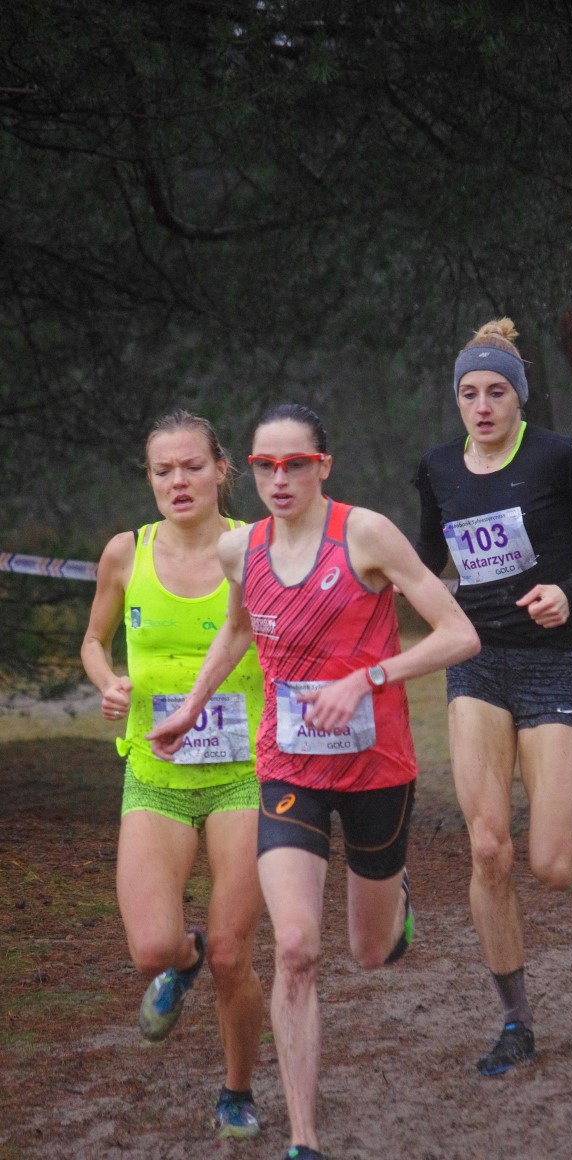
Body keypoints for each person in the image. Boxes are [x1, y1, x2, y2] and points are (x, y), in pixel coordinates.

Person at [148, 402, 480, 1160]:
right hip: (288, 768)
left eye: (295, 463)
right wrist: (192, 707)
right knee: (296, 947)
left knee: (369, 950)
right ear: (250, 470)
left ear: (322, 466)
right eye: (265, 465)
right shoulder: (241, 549)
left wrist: (369, 677)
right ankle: (304, 1139)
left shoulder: (366, 534)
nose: (280, 478)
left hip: (376, 769)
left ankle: (395, 902)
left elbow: (460, 634)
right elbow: (238, 629)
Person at [413, 317, 572, 1076]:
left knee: (554, 866)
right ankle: (515, 1021)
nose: (482, 406)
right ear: (456, 400)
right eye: (469, 393)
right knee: (489, 846)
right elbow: (424, 560)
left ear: (519, 396)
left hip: (551, 664)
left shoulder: (559, 457)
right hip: (477, 664)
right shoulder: (437, 468)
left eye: (496, 391)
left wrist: (571, 593)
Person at [80, 410, 266, 1139]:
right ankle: (180, 963)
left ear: (222, 470)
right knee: (153, 948)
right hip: (155, 773)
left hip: (245, 773)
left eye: (192, 466)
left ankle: (236, 1090)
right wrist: (109, 682)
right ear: (150, 479)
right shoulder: (125, 553)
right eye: (164, 470)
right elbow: (94, 641)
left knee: (232, 953)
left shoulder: (256, 547)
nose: (178, 481)